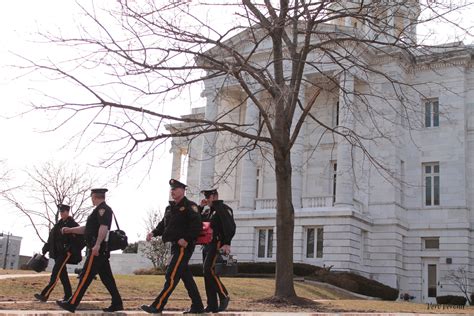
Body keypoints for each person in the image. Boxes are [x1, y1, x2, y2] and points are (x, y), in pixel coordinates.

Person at [141, 179, 204, 314]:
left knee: (172, 275)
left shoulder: (190, 206)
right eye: (171, 189)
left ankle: (157, 306)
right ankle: (198, 306)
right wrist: (153, 232)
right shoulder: (170, 208)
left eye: (175, 189)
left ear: (182, 190)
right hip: (174, 246)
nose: (172, 191)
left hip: (184, 247)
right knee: (185, 277)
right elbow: (164, 225)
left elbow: (197, 226)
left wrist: (187, 239)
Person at [56, 188, 123, 313]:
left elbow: (104, 227)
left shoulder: (103, 209)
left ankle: (72, 303)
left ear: (94, 196)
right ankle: (117, 303)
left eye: (91, 197)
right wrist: (70, 230)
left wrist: (97, 245)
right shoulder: (97, 210)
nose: (91, 199)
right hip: (98, 249)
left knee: (85, 276)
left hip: (97, 249)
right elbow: (88, 229)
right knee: (107, 278)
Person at [34, 204, 80, 303]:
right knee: (63, 275)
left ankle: (44, 295)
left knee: (55, 274)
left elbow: (81, 239)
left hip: (66, 253)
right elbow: (51, 238)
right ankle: (68, 296)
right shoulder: (58, 225)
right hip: (57, 253)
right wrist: (46, 248)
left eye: (63, 211)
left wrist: (70, 248)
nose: (61, 213)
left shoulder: (73, 225)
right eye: (60, 212)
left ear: (68, 212)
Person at [199, 189, 235, 313]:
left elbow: (230, 226)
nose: (206, 199)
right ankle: (212, 304)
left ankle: (224, 295)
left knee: (209, 270)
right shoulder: (209, 211)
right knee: (207, 274)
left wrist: (227, 243)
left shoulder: (223, 208)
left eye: (208, 197)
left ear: (214, 196)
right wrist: (200, 208)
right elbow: (199, 222)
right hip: (207, 245)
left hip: (217, 244)